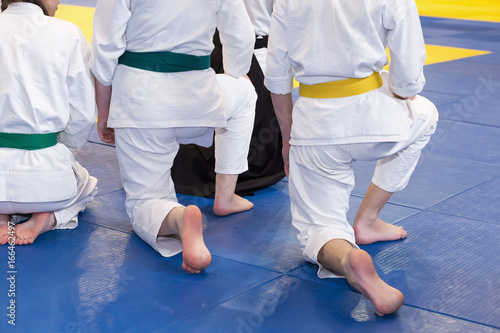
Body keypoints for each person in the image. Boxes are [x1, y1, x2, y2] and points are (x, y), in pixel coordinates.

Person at [265, 0, 438, 315]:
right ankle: (368, 220)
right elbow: (408, 73)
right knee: (425, 112)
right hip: (376, 123)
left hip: (313, 123)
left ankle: (345, 258)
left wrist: (289, 135)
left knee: (318, 228)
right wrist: (401, 91)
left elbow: (276, 72)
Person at [91, 0, 257, 273]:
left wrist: (105, 111)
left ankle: (179, 217)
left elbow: (105, 48)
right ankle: (226, 196)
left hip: (140, 102)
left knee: (145, 199)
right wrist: (237, 74)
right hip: (200, 98)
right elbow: (240, 33)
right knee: (245, 93)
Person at [0, 0, 98, 246]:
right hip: (47, 183)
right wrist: (62, 150)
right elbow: (84, 114)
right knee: (87, 186)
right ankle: (48, 218)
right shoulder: (67, 32)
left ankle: (3, 216)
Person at [171, 0, 284, 198]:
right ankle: (225, 188)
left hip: (203, 52)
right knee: (259, 153)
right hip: (246, 51)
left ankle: (156, 155)